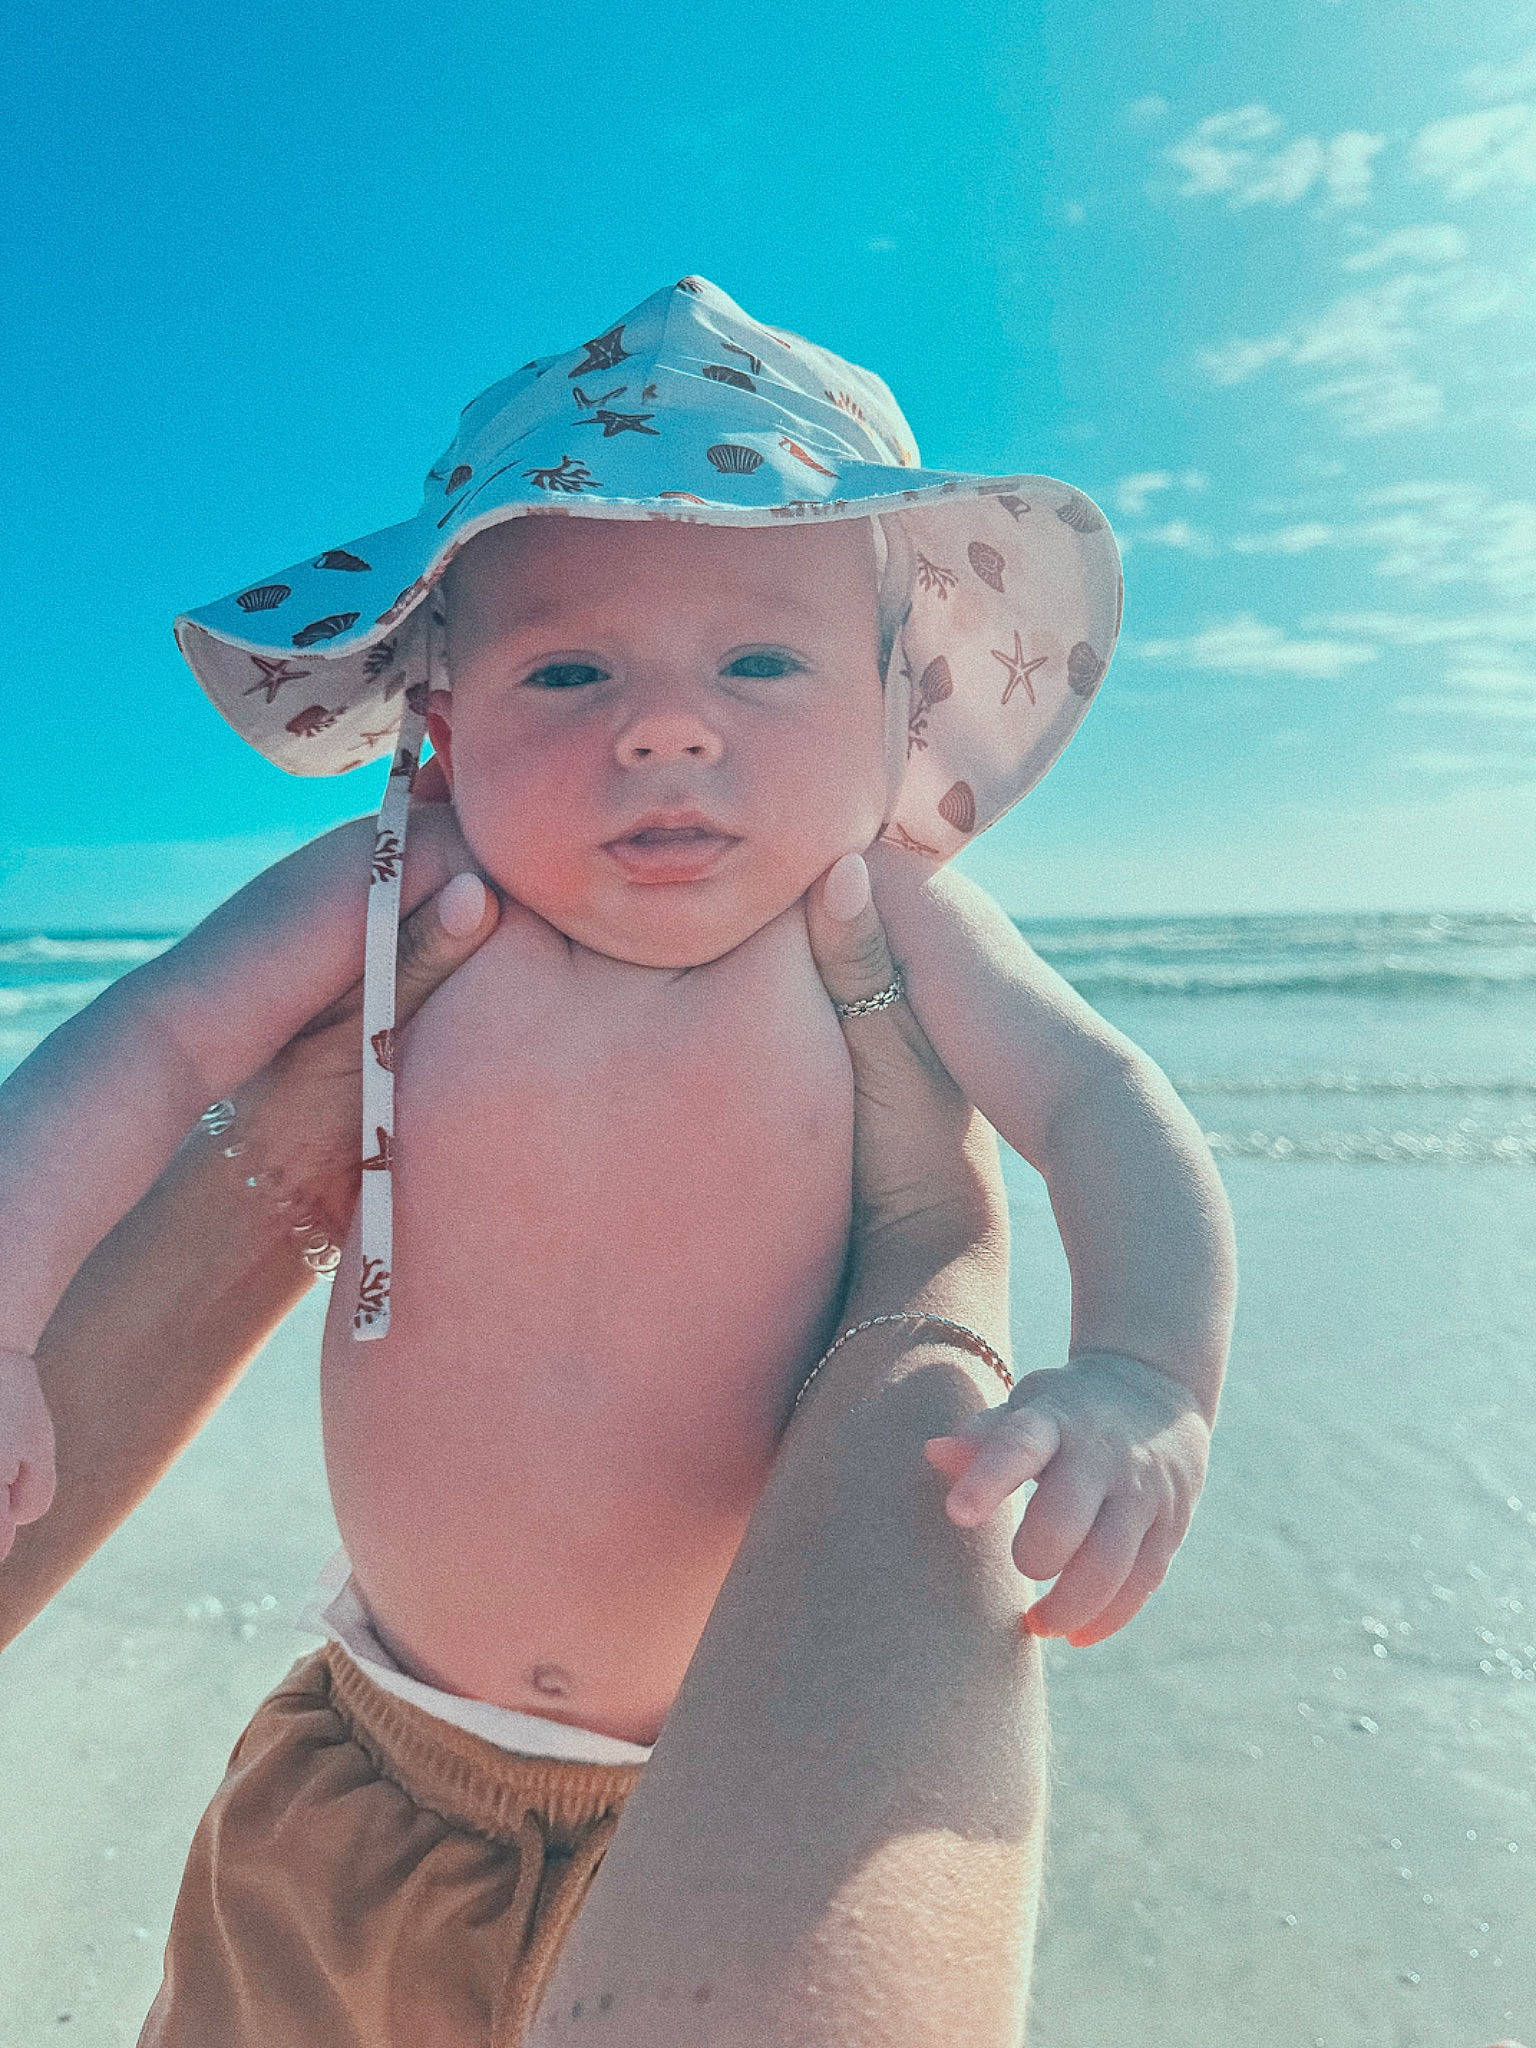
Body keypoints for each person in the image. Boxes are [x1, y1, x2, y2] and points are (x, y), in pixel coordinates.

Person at [0, 277, 1236, 2043]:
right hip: (365, 1760)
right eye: (570, 669)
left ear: (900, 709)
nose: (665, 726)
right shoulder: (393, 889)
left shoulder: (884, 911)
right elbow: (144, 1047)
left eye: (759, 659)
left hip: (719, 1807)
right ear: (435, 710)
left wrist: (1142, 1372)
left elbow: (1106, 1100)